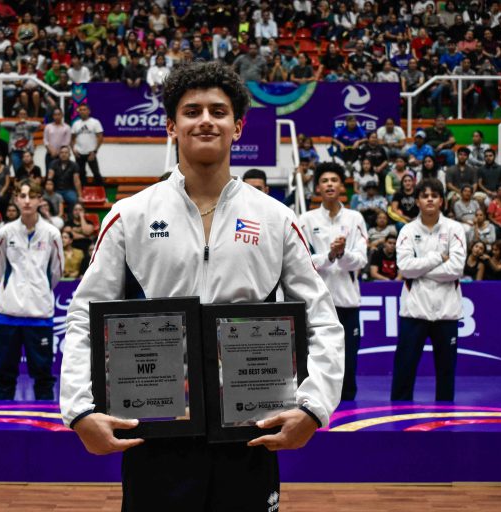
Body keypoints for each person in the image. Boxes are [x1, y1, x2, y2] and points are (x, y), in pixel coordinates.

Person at [59, 61, 344, 511]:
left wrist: (314, 407)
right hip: (155, 426)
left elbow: (322, 319)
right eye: (192, 111)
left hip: (251, 429)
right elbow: (84, 317)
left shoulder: (275, 217)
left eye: (218, 110)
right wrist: (78, 410)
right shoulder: (130, 215)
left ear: (238, 126)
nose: (206, 120)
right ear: (172, 125)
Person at [392, 178, 466, 402]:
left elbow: (456, 268)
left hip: (446, 311)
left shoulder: (455, 228)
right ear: (417, 201)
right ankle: (397, 420)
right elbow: (404, 267)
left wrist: (421, 268)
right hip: (414, 310)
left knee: (446, 372)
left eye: (434, 195)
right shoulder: (407, 230)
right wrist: (437, 259)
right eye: (425, 196)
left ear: (442, 201)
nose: (430, 199)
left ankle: (444, 420)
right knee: (404, 369)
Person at [300, 162, 368, 402]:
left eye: (334, 180)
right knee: (315, 358)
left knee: (348, 359)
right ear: (317, 187)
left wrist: (342, 254)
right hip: (317, 303)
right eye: (325, 181)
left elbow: (360, 260)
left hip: (348, 303)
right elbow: (303, 262)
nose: (329, 184)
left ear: (342, 186)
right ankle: (314, 404)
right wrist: (329, 255)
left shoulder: (355, 218)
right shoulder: (305, 220)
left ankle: (349, 405)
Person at [0, 179, 62, 401]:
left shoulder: (52, 234)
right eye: (22, 196)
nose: (27, 201)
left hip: (39, 314)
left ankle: (45, 426)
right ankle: (2, 425)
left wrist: (39, 289)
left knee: (43, 376)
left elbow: (56, 272)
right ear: (15, 199)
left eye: (32, 196)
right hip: (8, 314)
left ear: (40, 200)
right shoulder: (5, 232)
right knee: (5, 375)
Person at [71, 104, 104, 186]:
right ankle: (83, 193)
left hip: (91, 153)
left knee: (96, 173)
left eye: (84, 109)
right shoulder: (76, 124)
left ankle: (102, 194)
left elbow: (100, 138)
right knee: (81, 174)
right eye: (81, 110)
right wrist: (73, 150)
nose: (82, 111)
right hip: (79, 154)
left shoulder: (95, 122)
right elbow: (72, 139)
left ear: (89, 111)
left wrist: (95, 151)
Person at [2, 108, 41, 175]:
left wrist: (26, 122)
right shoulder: (13, 126)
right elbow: (2, 124)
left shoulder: (29, 126)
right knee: (18, 172)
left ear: (26, 115)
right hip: (15, 152)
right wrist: (18, 123)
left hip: (27, 152)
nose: (22, 115)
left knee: (29, 171)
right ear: (18, 115)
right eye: (21, 114)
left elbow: (38, 124)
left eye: (24, 114)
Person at [43, 107, 71, 173]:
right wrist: (51, 150)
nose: (57, 116)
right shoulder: (48, 126)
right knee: (49, 174)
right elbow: (45, 140)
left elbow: (66, 142)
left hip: (62, 156)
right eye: (55, 115)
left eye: (59, 114)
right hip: (50, 154)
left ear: (62, 115)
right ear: (53, 116)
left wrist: (58, 152)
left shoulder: (67, 127)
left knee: (62, 175)